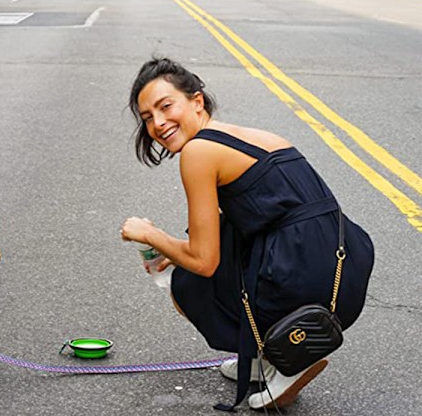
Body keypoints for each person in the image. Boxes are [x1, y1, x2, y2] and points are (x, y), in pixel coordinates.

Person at [121, 57, 374, 411]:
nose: (158, 123)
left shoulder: (198, 152)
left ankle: (290, 356)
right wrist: (176, 247)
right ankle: (265, 354)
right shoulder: (248, 136)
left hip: (307, 278)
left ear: (197, 101)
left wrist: (149, 235)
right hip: (343, 269)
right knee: (205, 257)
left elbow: (205, 262)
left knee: (186, 282)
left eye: (166, 107)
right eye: (148, 117)